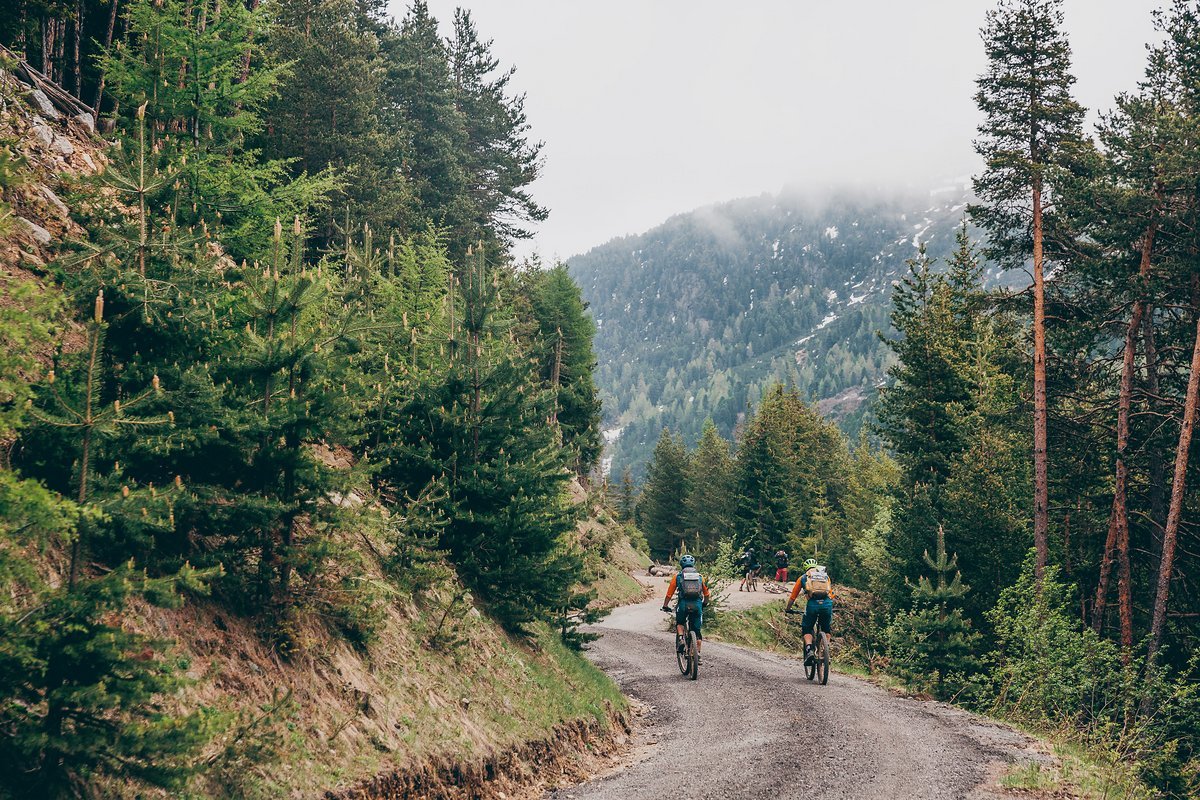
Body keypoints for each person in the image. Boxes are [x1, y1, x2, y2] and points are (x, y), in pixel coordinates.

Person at [661, 554, 712, 661]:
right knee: (697, 631)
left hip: (683, 604)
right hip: (697, 605)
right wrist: (704, 604)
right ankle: (697, 654)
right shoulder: (700, 577)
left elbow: (669, 595)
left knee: (680, 622)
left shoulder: (678, 576)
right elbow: (707, 595)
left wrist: (665, 606)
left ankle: (680, 639)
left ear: (681, 565)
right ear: (693, 565)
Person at [784, 557, 834, 664]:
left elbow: (793, 597)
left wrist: (788, 609)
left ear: (805, 568)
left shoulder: (803, 578)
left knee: (807, 628)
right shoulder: (825, 576)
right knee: (826, 628)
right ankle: (826, 651)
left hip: (813, 605)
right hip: (827, 604)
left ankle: (809, 650)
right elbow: (830, 593)